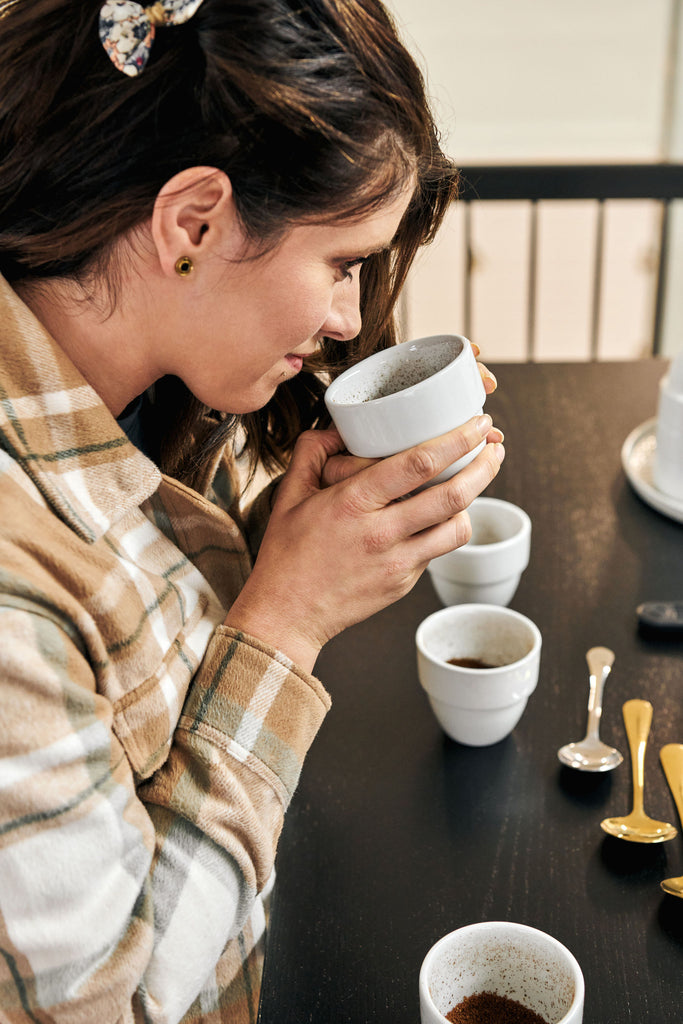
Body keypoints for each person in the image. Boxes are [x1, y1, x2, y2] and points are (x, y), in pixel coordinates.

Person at [0, 1, 504, 1021]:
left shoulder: (141, 385)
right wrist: (285, 621)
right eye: (343, 261)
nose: (347, 320)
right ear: (193, 222)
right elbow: (113, 1004)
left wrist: (284, 545)